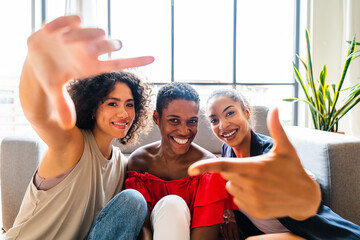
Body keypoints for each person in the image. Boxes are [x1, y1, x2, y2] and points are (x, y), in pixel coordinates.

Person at [5, 15, 154, 240]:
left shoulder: (121, 164)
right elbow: (40, 115)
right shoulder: (73, 144)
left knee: (133, 200)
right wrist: (36, 69)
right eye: (112, 103)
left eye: (129, 105)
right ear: (93, 107)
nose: (123, 113)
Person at [188, 88, 360, 240]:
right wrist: (230, 213)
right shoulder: (227, 150)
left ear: (246, 113)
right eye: (214, 120)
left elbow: (298, 185)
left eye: (230, 113)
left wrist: (306, 192)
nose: (223, 125)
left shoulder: (268, 153)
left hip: (307, 233)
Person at [125, 83, 229, 240]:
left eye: (192, 121)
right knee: (171, 205)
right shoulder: (139, 162)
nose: (184, 131)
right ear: (156, 118)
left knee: (173, 204)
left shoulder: (208, 168)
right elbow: (142, 231)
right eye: (174, 120)